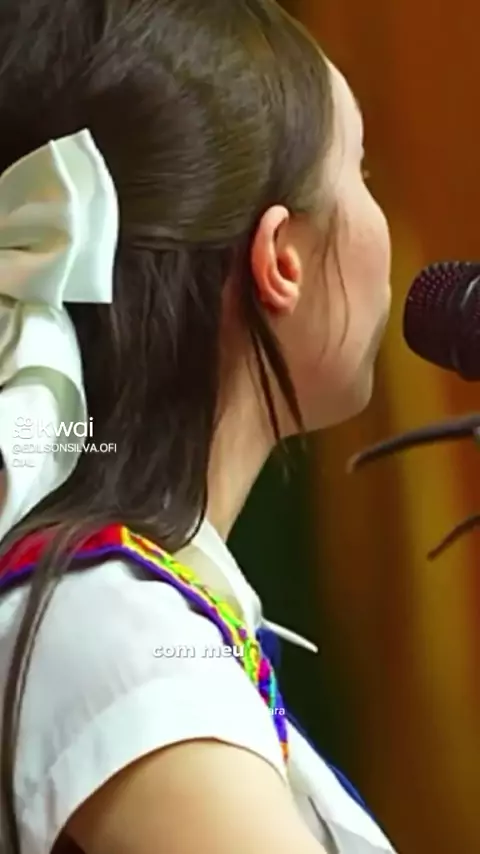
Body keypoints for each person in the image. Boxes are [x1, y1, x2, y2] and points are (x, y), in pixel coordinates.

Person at [0, 1, 393, 853]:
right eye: (362, 170)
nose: (378, 215)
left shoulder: (122, 620)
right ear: (281, 259)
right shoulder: (115, 632)